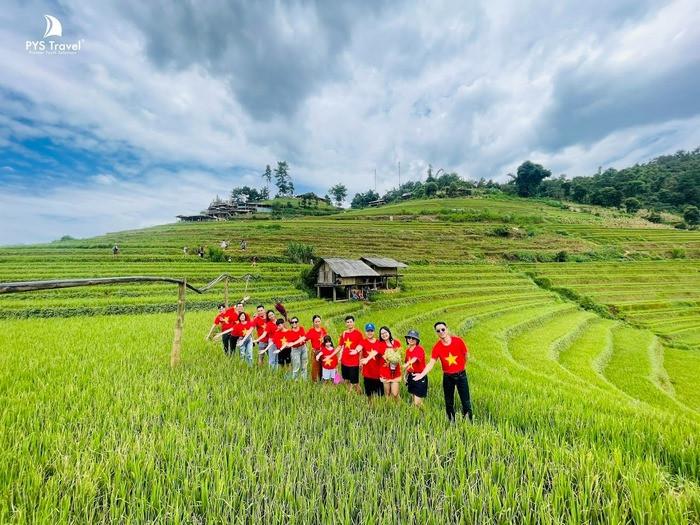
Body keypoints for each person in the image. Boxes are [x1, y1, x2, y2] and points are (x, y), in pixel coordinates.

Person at [413, 321, 473, 422]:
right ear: (436, 333)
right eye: (438, 331)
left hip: (461, 375)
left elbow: (466, 355)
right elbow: (431, 363)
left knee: (465, 400)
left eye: (443, 329)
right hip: (448, 377)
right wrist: (421, 374)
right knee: (448, 401)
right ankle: (451, 421)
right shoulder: (437, 347)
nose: (441, 332)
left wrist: (462, 366)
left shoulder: (458, 341)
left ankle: (468, 421)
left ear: (447, 329)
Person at [338, 315, 364, 393]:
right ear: (345, 324)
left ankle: (361, 395)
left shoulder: (358, 333)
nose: (349, 323)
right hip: (344, 361)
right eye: (347, 322)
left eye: (350, 322)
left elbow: (361, 348)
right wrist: (339, 358)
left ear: (354, 323)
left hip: (354, 363)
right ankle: (349, 394)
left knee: (355, 382)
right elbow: (341, 346)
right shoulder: (344, 333)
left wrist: (360, 362)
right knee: (346, 380)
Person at [402, 330, 427, 406]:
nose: (411, 339)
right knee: (413, 399)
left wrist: (406, 364)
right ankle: (416, 415)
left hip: (419, 376)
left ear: (417, 340)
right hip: (411, 376)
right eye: (409, 337)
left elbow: (414, 359)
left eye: (413, 338)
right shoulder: (407, 351)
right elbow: (408, 365)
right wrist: (405, 375)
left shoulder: (419, 349)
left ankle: (424, 415)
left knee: (417, 402)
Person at [359, 323, 384, 398]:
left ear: (374, 331)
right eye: (368, 331)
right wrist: (360, 364)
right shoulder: (363, 342)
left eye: (371, 331)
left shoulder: (379, 343)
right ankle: (370, 408)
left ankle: (379, 407)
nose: (369, 332)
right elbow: (360, 352)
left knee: (380, 395)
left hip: (378, 374)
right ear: (365, 332)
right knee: (369, 394)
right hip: (367, 373)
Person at [378, 326, 402, 400]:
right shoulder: (380, 344)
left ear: (389, 333)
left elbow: (400, 354)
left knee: (395, 394)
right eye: (382, 334)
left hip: (396, 372)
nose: (384, 335)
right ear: (380, 335)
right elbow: (384, 356)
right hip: (385, 372)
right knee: (387, 393)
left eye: (385, 332)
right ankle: (389, 407)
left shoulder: (397, 342)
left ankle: (399, 407)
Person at [305, 315, 327, 382]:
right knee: (315, 368)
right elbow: (305, 338)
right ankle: (314, 382)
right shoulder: (311, 330)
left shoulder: (323, 330)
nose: (317, 323)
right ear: (313, 322)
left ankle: (322, 380)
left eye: (319, 321)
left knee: (322, 367)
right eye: (316, 322)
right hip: (315, 351)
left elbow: (327, 340)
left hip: (323, 351)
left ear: (320, 321)